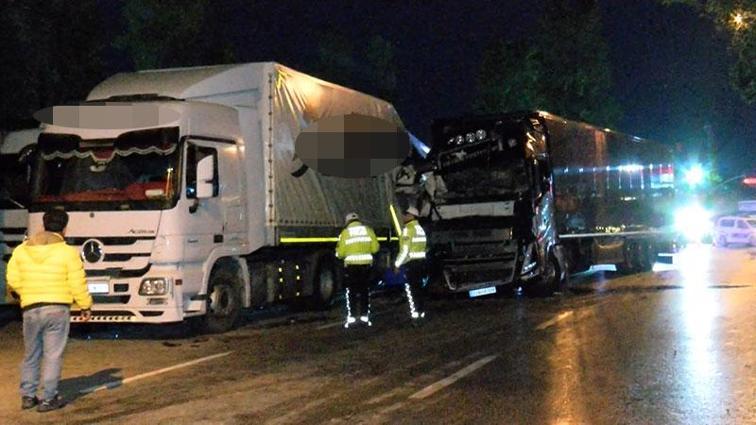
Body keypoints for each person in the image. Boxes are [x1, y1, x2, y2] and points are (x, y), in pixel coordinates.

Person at [6, 210, 92, 412]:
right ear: (64, 228)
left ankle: (28, 396)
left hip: (30, 309)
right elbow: (77, 281)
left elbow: (12, 279)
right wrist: (85, 305)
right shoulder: (67, 252)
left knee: (31, 353)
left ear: (43, 225)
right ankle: (48, 398)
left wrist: (24, 293)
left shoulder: (22, 250)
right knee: (53, 354)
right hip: (57, 308)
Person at [335, 212, 379, 328]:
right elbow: (375, 249)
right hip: (366, 266)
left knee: (352, 292)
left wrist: (339, 253)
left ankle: (353, 318)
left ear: (347, 222)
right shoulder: (368, 231)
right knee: (364, 291)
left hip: (352, 267)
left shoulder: (345, 233)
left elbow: (340, 253)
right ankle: (364, 317)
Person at [394, 206, 428, 321]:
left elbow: (404, 251)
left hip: (412, 264)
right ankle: (421, 312)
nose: (403, 217)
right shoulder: (420, 229)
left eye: (405, 214)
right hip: (421, 262)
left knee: (412, 290)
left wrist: (397, 264)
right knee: (419, 289)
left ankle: (415, 315)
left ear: (411, 216)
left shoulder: (408, 230)